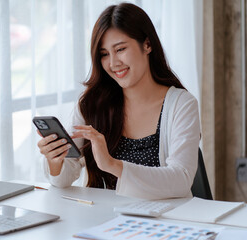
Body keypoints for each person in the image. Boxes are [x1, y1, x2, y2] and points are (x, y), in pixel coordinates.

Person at [37, 3, 200, 200]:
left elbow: (180, 180)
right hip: (105, 221)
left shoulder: (181, 105)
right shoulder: (92, 104)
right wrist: (55, 160)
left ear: (147, 45)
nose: (113, 63)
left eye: (120, 49)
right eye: (104, 54)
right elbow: (63, 180)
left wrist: (112, 164)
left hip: (164, 222)